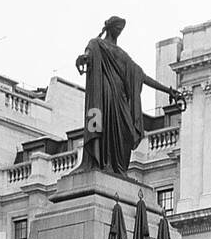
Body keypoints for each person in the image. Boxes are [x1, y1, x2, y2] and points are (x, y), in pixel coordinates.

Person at [75, 16, 183, 176]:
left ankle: (116, 167)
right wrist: (83, 59)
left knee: (125, 130)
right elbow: (88, 55)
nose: (119, 31)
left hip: (119, 98)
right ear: (109, 27)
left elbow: (142, 76)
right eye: (117, 28)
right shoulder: (96, 44)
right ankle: (101, 162)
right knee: (100, 124)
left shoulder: (122, 55)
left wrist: (168, 90)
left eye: (121, 29)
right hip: (101, 97)